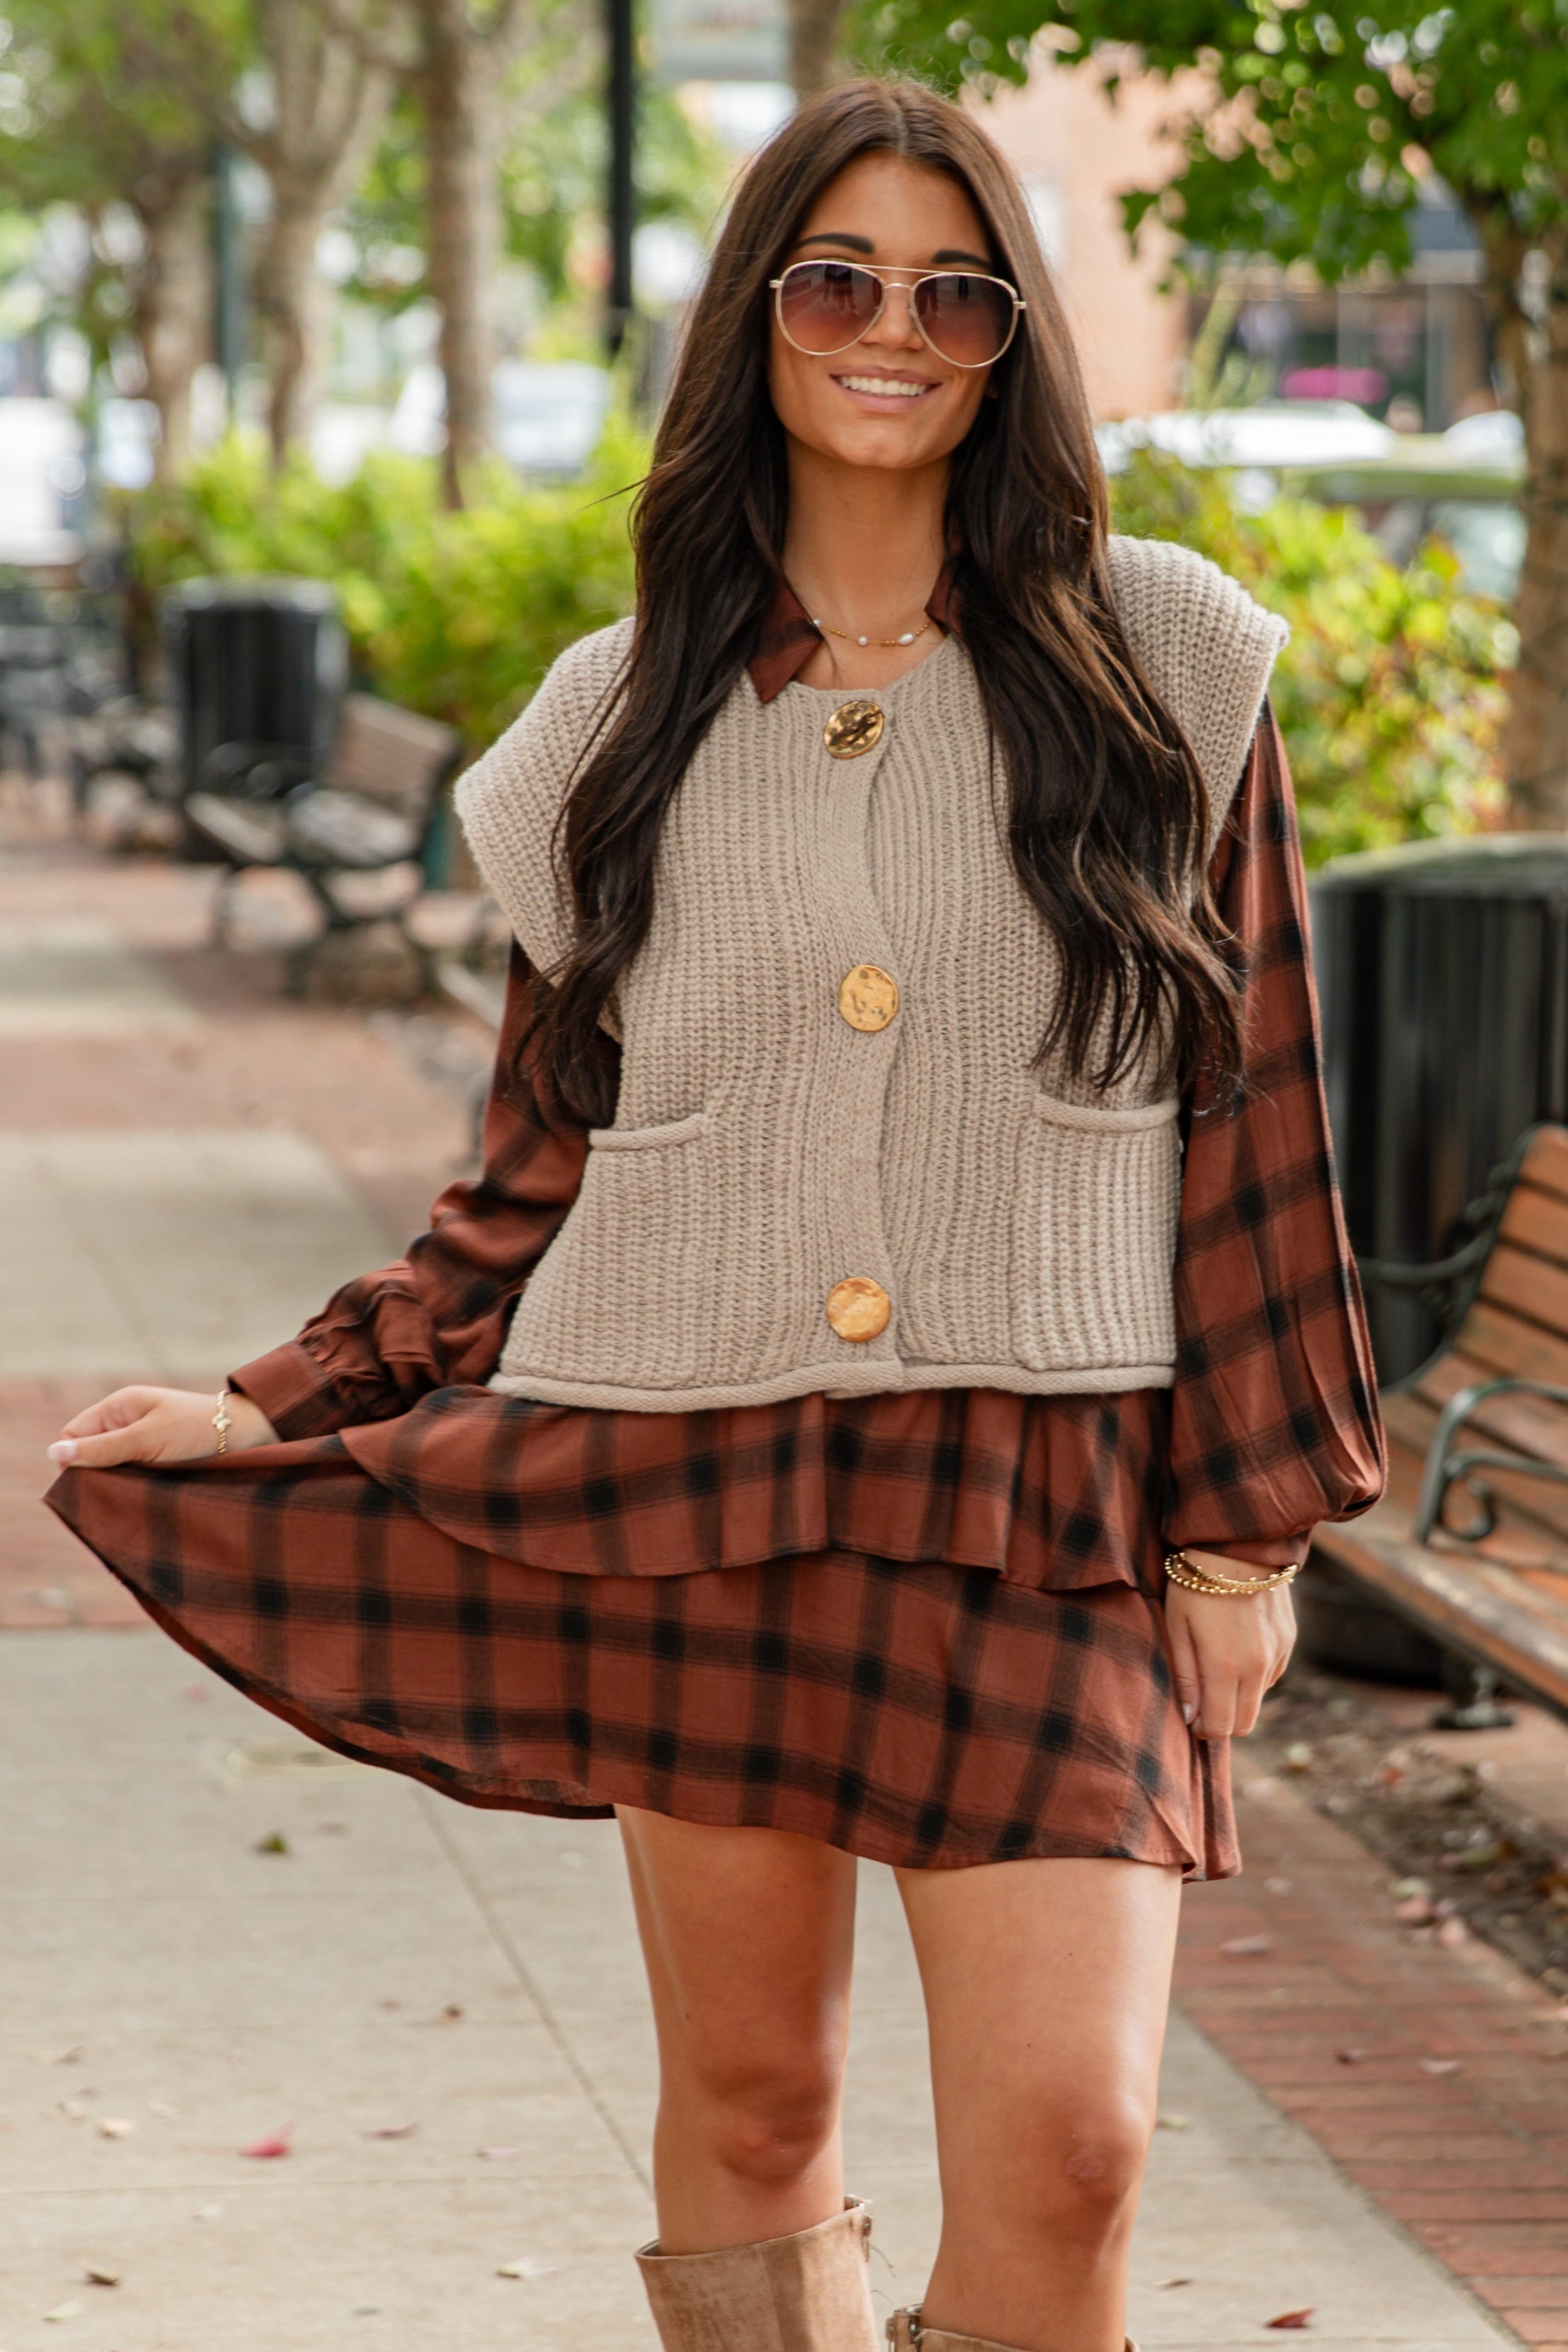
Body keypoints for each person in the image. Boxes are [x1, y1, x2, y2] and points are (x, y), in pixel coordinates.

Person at [46, 78, 1384, 2352]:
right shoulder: (616, 723)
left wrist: (1247, 1527)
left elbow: (1257, 1117)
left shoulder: (1162, 661)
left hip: (1043, 1488)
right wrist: (288, 1399)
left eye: (953, 292)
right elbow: (530, 1163)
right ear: (755, 316)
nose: (892, 328)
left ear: (1009, 345)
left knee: (1071, 2142)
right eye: (836, 278)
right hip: (701, 1473)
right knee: (759, 2114)